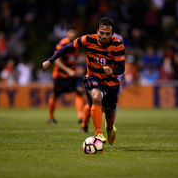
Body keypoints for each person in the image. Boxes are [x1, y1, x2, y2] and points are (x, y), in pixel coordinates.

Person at [43, 17, 125, 145]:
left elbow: (121, 68)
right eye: (101, 33)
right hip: (93, 77)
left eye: (107, 34)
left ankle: (109, 128)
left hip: (110, 82)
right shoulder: (87, 39)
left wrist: (113, 71)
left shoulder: (118, 44)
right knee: (96, 97)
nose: (104, 36)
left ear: (112, 34)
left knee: (109, 112)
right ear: (97, 31)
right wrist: (50, 60)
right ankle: (98, 134)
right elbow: (67, 48)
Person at [47, 24, 84, 124]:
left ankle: (80, 116)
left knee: (80, 91)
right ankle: (50, 117)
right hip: (60, 75)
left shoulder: (77, 44)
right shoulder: (62, 44)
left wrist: (79, 67)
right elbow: (57, 61)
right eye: (71, 32)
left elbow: (74, 59)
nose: (73, 34)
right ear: (67, 33)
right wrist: (69, 70)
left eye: (74, 32)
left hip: (72, 73)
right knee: (55, 95)